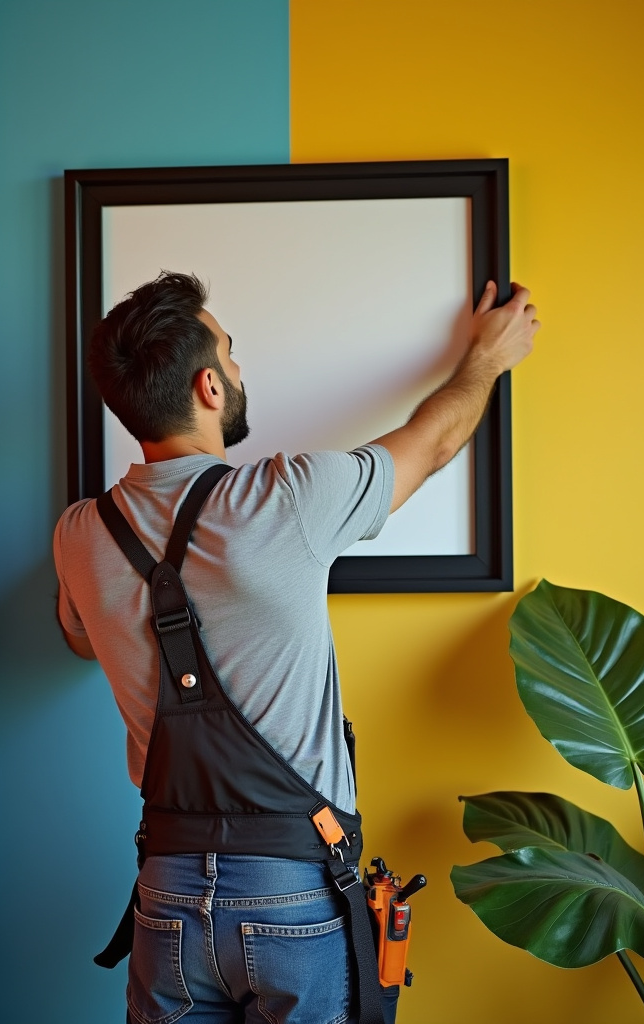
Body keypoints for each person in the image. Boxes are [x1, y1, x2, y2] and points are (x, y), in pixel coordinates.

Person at [53, 271, 539, 1024]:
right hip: (293, 897)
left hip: (166, 897)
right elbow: (436, 440)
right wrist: (486, 360)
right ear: (209, 387)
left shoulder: (79, 536)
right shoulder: (288, 498)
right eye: (233, 354)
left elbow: (81, 640)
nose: (242, 370)